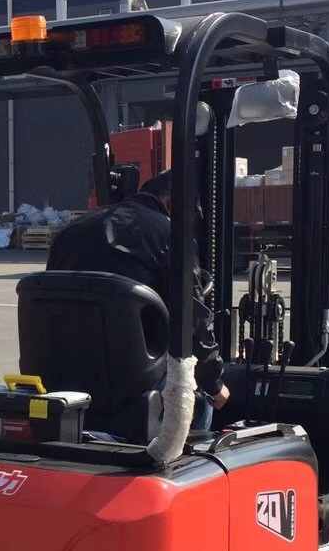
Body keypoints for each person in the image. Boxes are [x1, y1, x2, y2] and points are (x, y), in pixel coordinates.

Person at [47, 168, 229, 429]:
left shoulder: (71, 232)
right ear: (171, 204)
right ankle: (184, 450)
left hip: (66, 374)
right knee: (200, 394)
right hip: (133, 382)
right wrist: (214, 381)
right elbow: (192, 318)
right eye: (192, 215)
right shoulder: (170, 235)